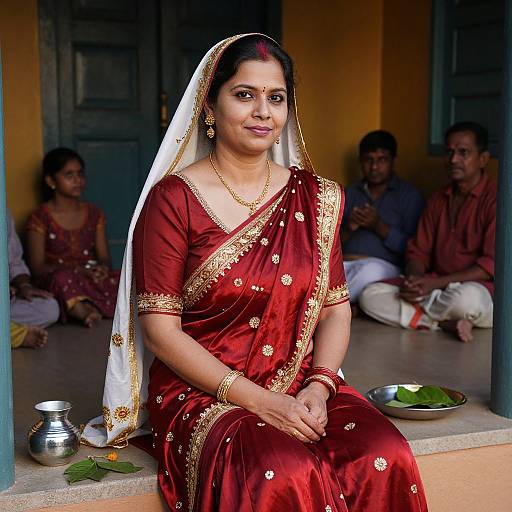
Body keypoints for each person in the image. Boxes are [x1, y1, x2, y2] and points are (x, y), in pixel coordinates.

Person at [82, 35, 428, 511]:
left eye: (276, 97)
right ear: (210, 104)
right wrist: (260, 402)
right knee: (280, 470)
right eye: (244, 94)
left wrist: (320, 385)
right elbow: (161, 333)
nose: (263, 111)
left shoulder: (316, 197)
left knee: (382, 453)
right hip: (203, 391)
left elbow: (335, 310)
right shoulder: (173, 201)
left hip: (302, 382)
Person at [360, 121, 495, 343]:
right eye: (449, 152)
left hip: (474, 288)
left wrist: (435, 285)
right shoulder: (437, 200)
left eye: (463, 153)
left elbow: (491, 266)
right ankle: (442, 323)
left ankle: (426, 318)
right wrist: (414, 279)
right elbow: (417, 251)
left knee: (466, 301)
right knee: (369, 296)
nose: (453, 160)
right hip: (434, 286)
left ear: (483, 159)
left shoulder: (496, 200)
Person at [25, 148, 120, 327]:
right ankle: (84, 311)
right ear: (50, 181)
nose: (77, 180)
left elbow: (105, 257)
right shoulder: (40, 217)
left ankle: (86, 305)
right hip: (58, 277)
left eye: (80, 174)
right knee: (62, 279)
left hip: (88, 276)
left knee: (125, 279)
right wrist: (77, 270)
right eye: (69, 175)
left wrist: (102, 270)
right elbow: (37, 267)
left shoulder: (93, 213)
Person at [342, 130, 425, 304]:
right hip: (345, 263)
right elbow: (328, 246)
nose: (374, 167)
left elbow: (415, 248)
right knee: (314, 270)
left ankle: (329, 311)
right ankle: (343, 307)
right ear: (360, 161)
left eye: (382, 160)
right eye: (368, 160)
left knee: (369, 272)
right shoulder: (349, 192)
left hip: (384, 267)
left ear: (393, 161)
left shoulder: (409, 196)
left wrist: (377, 225)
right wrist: (350, 228)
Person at [8, 209, 59, 344]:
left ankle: (10, 330)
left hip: (6, 302)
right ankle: (13, 334)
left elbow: (14, 263)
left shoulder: (3, 213)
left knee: (49, 308)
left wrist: (24, 286)